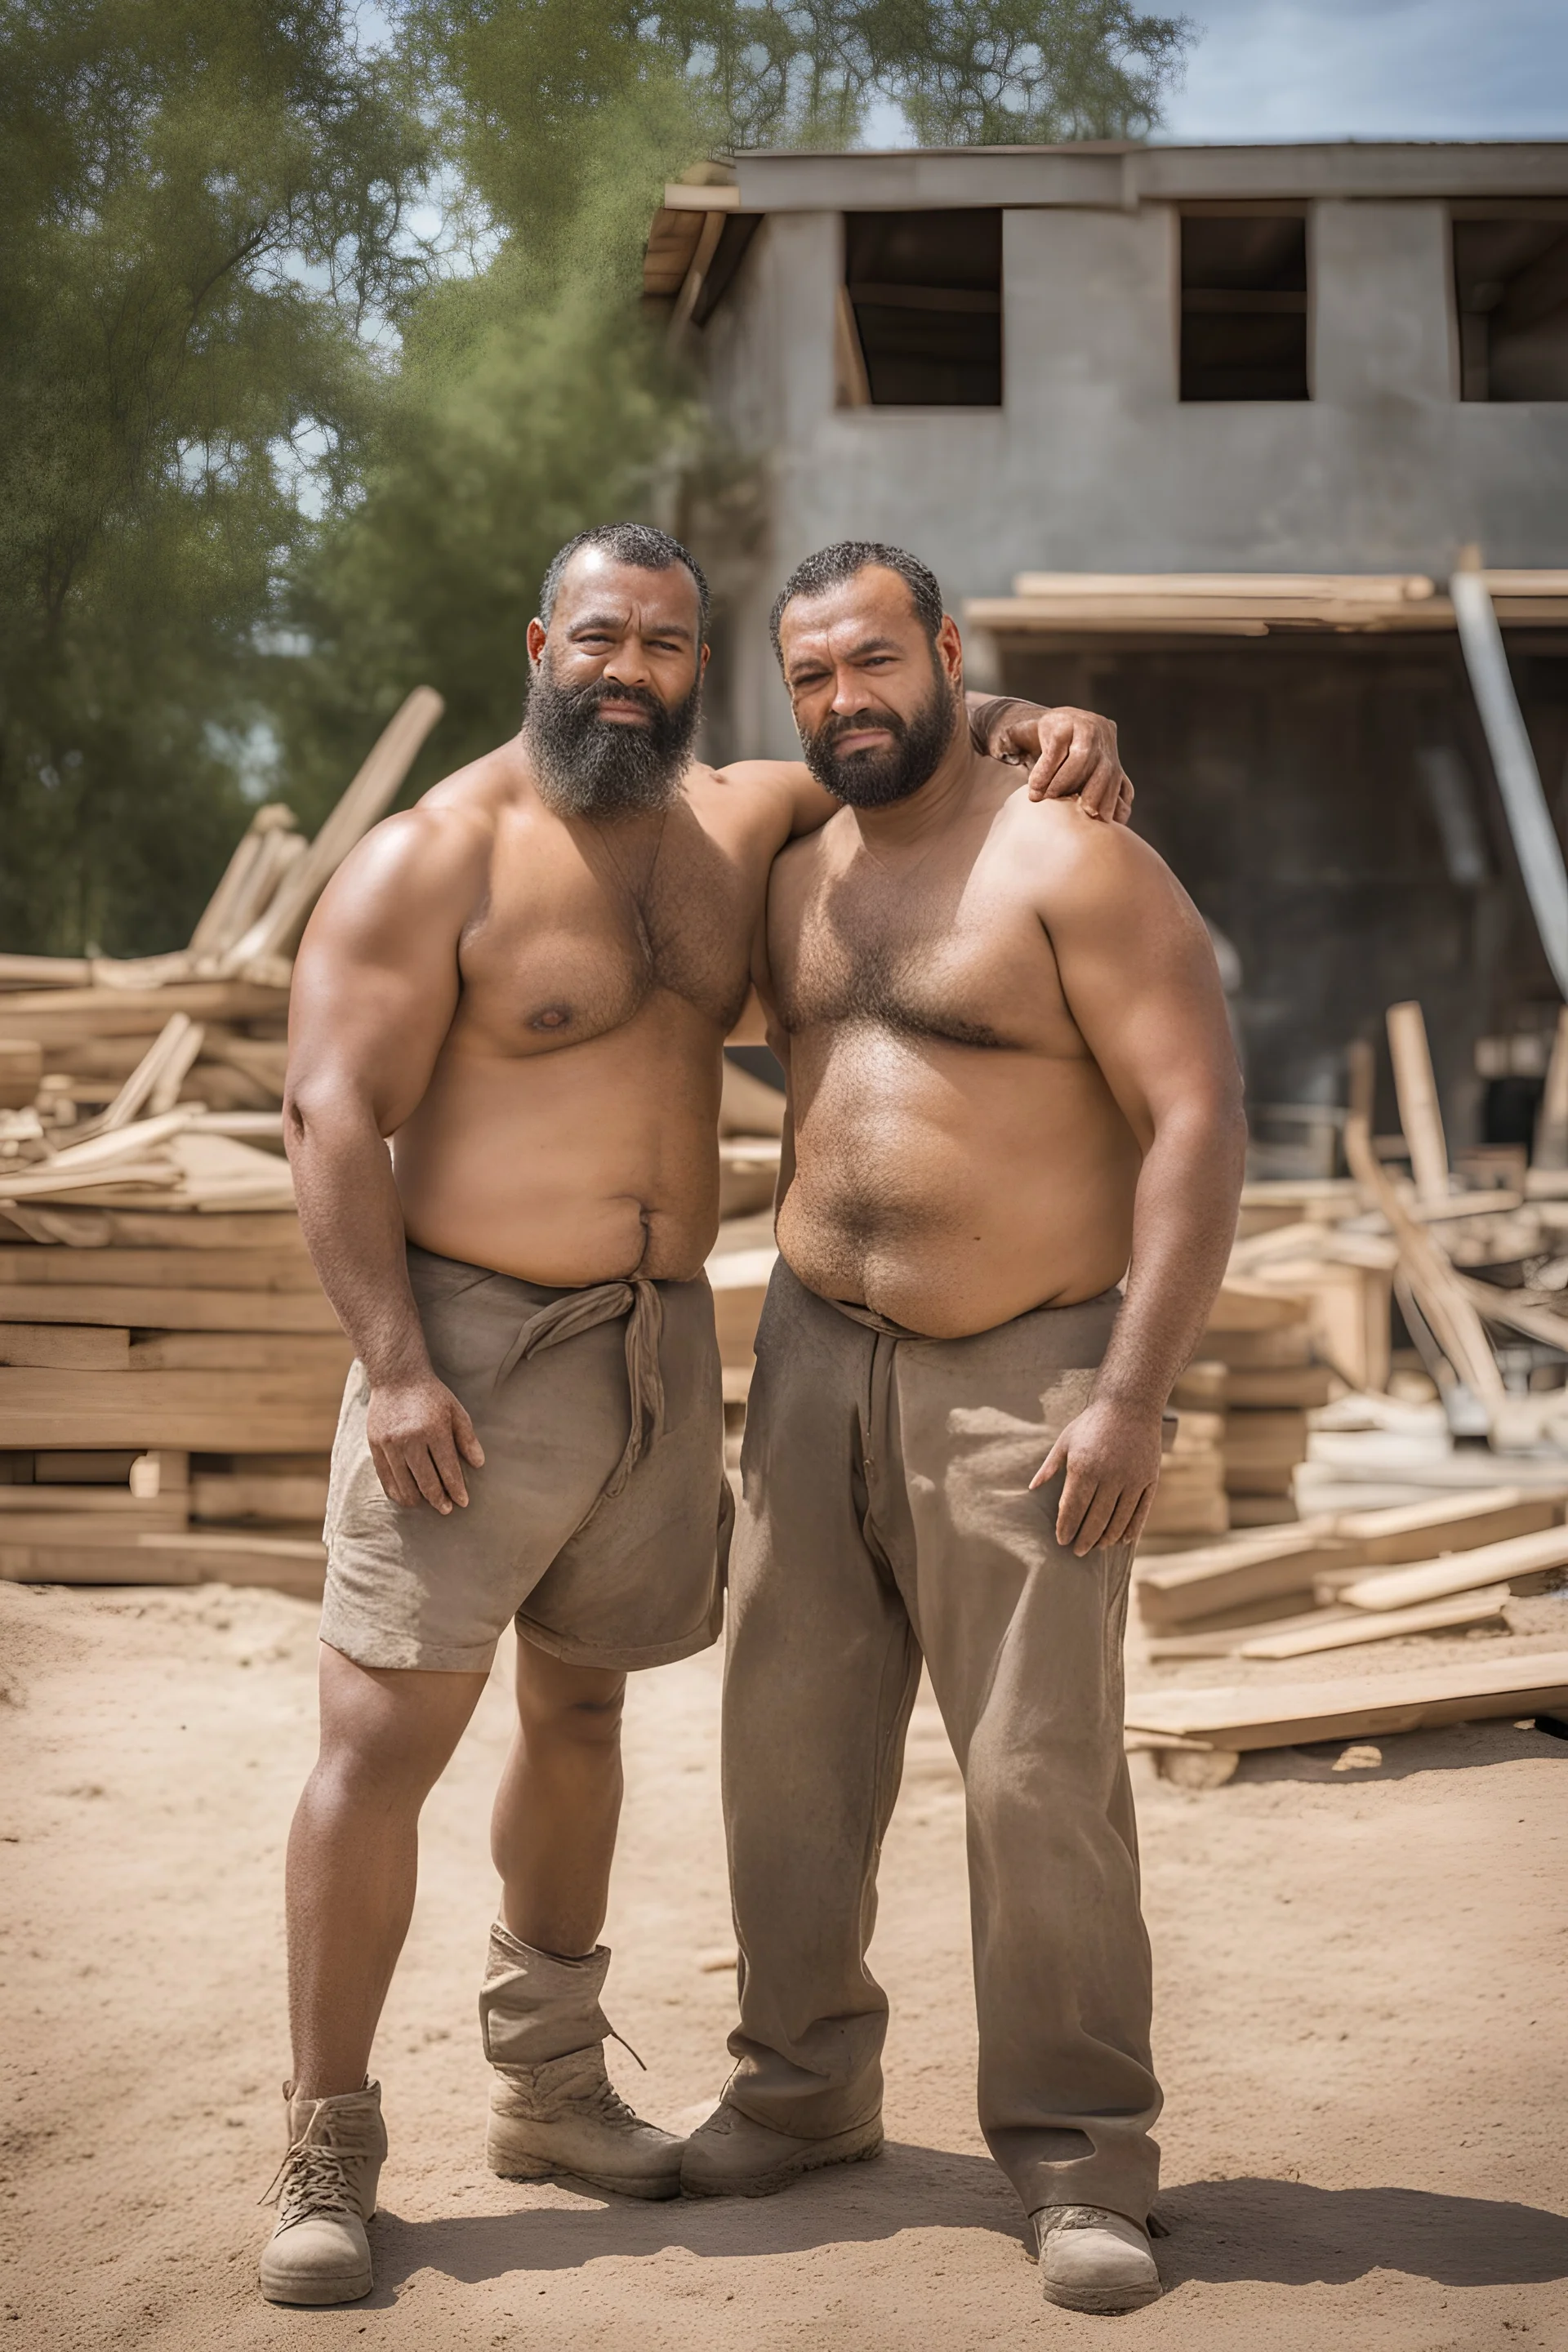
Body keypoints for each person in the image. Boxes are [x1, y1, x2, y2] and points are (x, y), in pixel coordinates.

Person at [259, 520, 1130, 2306]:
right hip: (472, 1354)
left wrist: (1039, 712)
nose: (628, 672)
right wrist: (400, 1366)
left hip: (656, 1352)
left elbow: (911, 755)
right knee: (379, 1745)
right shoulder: (435, 859)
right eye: (598, 638)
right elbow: (323, 1117)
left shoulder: (742, 821)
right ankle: (325, 2147)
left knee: (580, 1724)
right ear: (538, 642)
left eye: (666, 645)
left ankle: (552, 2089)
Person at [680, 541, 1246, 2319]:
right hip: (811, 1357)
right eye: (812, 681)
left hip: (1031, 1368)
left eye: (876, 664)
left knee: (1032, 1775)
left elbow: (1199, 1127)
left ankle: (1083, 2156)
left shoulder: (1078, 861)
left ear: (945, 652)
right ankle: (799, 2092)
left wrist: (1135, 1394)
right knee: (785, 1753)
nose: (845, 702)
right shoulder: (794, 871)